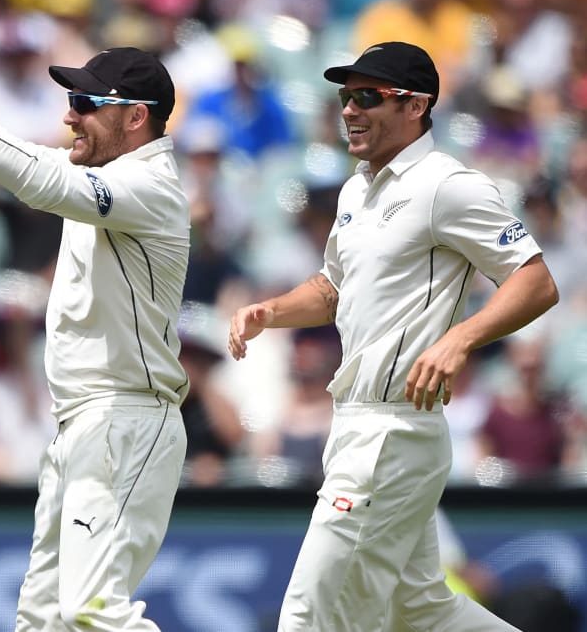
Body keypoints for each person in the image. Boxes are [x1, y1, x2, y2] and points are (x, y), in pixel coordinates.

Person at [228, 41, 559, 631]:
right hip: (355, 425)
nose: (350, 111)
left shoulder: (447, 184)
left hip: (394, 430)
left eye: (367, 96)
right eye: (344, 97)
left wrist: (459, 339)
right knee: (420, 611)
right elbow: (332, 287)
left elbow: (534, 281)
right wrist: (271, 311)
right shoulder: (357, 189)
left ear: (416, 105)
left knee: (311, 614)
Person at [0, 23, 191, 631]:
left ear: (136, 119)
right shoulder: (101, 175)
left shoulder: (146, 186)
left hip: (127, 419)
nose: (70, 118)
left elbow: (38, 180)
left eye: (87, 104)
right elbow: (13, 163)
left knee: (91, 613)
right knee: (42, 620)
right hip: (84, 424)